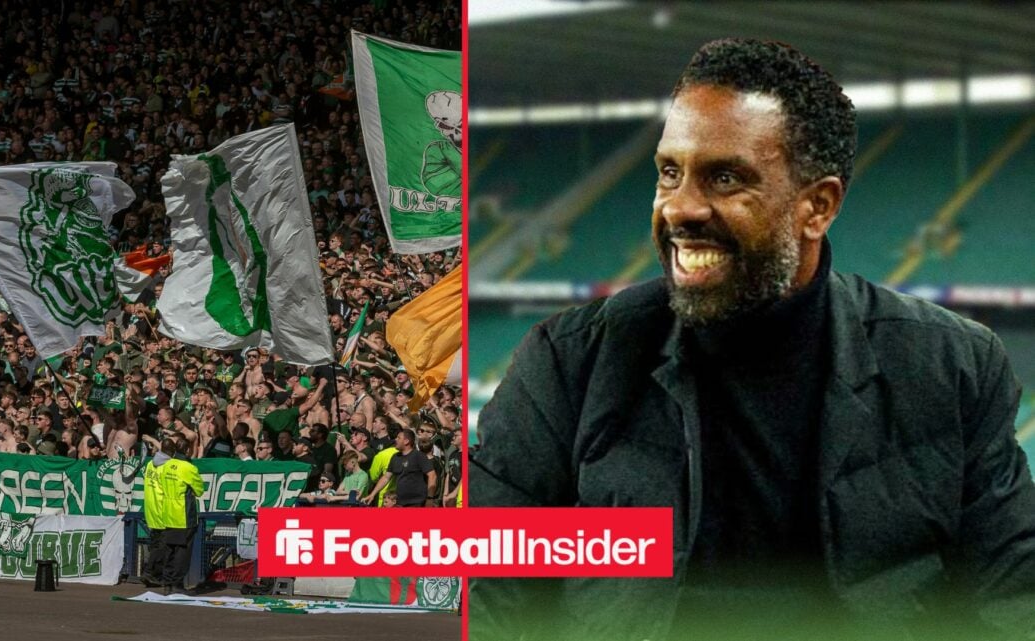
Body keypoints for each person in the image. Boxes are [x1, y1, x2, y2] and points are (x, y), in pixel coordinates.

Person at [469, 38, 1035, 641]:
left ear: (817, 207)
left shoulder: (952, 366)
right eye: (669, 173)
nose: (681, 208)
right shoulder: (568, 364)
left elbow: (1011, 597)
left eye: (725, 178)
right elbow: (493, 595)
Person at [143, 437, 205, 595]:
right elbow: (199, 490)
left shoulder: (165, 466)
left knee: (170, 548)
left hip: (167, 511)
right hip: (183, 513)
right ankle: (177, 583)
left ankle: (168, 582)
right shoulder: (188, 467)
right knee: (182, 551)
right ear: (188, 450)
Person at [362, 428, 434, 507]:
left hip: (417, 502)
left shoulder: (418, 456)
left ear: (406, 441)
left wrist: (430, 498)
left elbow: (432, 475)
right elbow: (386, 477)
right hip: (399, 503)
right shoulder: (395, 457)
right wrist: (372, 494)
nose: (395, 440)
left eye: (399, 438)